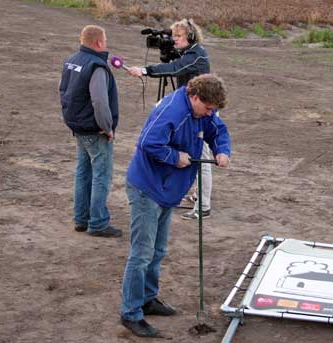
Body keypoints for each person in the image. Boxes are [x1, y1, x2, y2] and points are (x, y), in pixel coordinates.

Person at [120, 74, 230, 338]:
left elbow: (218, 130)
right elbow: (148, 142)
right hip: (148, 188)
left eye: (213, 109)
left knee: (157, 250)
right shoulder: (174, 110)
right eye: (208, 108)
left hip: (167, 189)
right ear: (195, 97)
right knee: (142, 253)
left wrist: (222, 150)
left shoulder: (202, 110)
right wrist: (174, 156)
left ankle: (148, 298)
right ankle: (131, 313)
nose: (210, 113)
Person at [128, 18, 213, 220]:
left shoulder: (196, 55)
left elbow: (175, 68)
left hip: (203, 112)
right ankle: (196, 196)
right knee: (192, 152)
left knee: (201, 157)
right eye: (173, 36)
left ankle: (204, 206)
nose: (174, 40)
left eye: (178, 36)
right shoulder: (188, 51)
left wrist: (146, 70)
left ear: (191, 37)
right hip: (191, 110)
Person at [59, 25, 122, 238]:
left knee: (83, 173)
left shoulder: (71, 61)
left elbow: (63, 91)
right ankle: (98, 222)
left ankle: (81, 219)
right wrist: (107, 127)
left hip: (78, 127)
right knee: (101, 176)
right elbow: (99, 101)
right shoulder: (96, 66)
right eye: (105, 40)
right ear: (98, 43)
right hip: (95, 131)